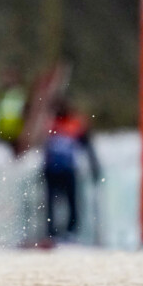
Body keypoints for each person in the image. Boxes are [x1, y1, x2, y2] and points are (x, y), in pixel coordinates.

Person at [43, 98, 101, 241]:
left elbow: (87, 145)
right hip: (51, 169)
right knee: (51, 203)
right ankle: (51, 232)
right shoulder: (49, 122)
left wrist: (94, 165)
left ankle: (71, 231)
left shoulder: (74, 123)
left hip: (68, 169)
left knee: (72, 202)